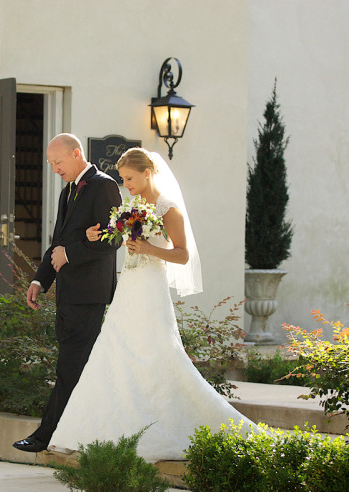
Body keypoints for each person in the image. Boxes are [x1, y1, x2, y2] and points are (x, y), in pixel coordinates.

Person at [48, 147, 255, 461]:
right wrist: (97, 235)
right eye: (122, 179)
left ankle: (157, 426)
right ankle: (98, 432)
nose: (125, 184)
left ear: (147, 173)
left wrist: (148, 249)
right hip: (128, 288)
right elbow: (120, 242)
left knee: (154, 354)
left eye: (129, 178)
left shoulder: (168, 208)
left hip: (151, 290)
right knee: (114, 354)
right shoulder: (132, 205)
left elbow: (183, 254)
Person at [13, 133, 122, 453]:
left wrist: (71, 253)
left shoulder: (104, 186)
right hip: (67, 294)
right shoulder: (67, 192)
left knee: (69, 369)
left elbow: (114, 240)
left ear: (77, 154)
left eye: (57, 162)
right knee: (76, 370)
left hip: (90, 295)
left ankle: (44, 437)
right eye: (50, 164)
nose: (54, 169)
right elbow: (57, 244)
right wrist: (39, 281)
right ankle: (84, 434)